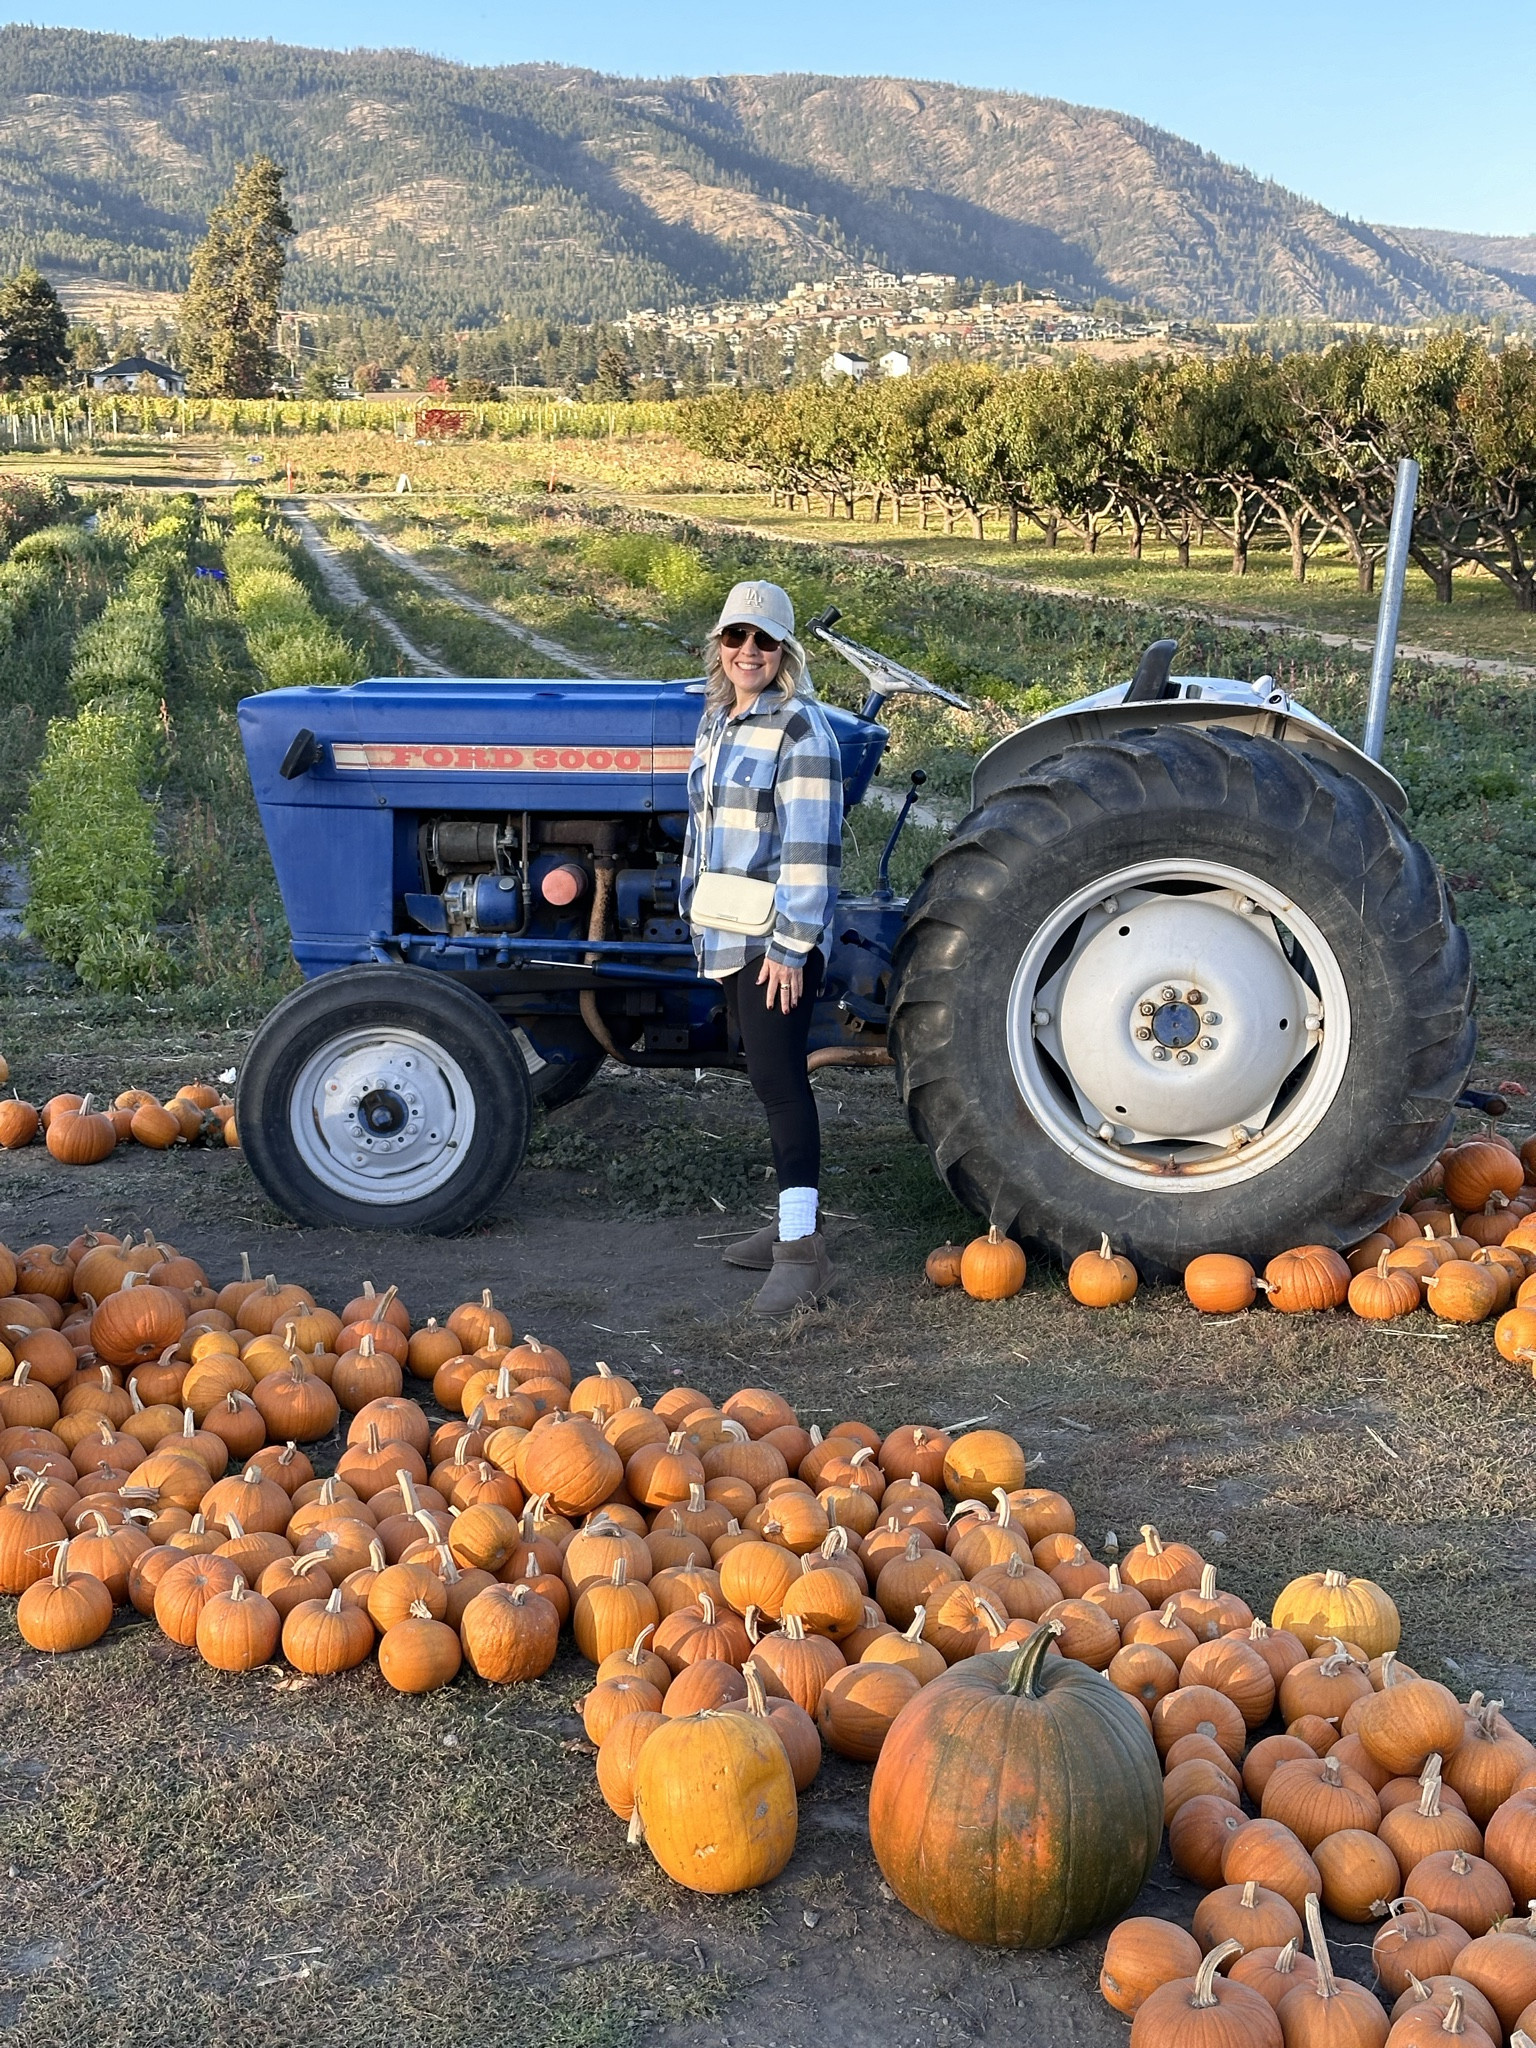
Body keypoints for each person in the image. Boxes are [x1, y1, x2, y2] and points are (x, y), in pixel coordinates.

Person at [679, 580, 843, 1316]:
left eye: (764, 641)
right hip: (726, 928)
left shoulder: (802, 730)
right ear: (720, 645)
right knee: (760, 1074)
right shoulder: (718, 719)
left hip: (773, 940)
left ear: (786, 652)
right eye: (736, 638)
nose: (748, 652)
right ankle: (788, 1221)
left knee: (781, 1083)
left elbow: (810, 848)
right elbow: (702, 829)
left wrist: (791, 946)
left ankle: (802, 1254)